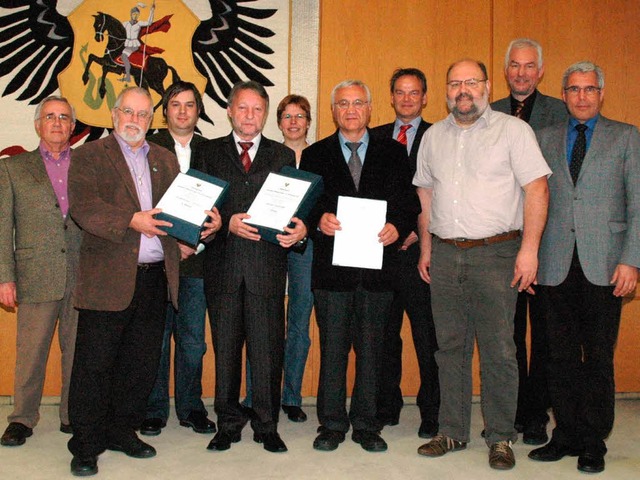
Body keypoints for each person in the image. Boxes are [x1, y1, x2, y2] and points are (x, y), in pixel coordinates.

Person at [66, 86, 220, 476]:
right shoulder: (88, 156)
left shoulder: (165, 160)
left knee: (139, 365)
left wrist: (205, 227)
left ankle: (122, 431)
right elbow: (84, 209)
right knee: (95, 366)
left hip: (155, 280)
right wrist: (132, 220)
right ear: (115, 114)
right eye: (128, 113)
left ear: (152, 120)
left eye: (142, 114)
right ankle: (85, 444)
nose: (134, 120)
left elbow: (177, 214)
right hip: (107, 281)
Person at [413, 59, 551, 470]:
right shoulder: (433, 137)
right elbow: (425, 197)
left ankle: (500, 437)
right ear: (446, 91)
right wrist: (426, 248)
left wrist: (530, 251)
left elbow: (537, 189)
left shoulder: (514, 131)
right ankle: (452, 430)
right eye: (455, 83)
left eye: (471, 82)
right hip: (445, 253)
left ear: (487, 86)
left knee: (499, 350)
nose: (463, 90)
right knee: (449, 348)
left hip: (497, 253)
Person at [528, 61, 640, 474]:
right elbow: (533, 200)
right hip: (554, 264)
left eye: (589, 89)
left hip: (605, 264)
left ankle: (594, 440)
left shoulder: (626, 137)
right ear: (563, 94)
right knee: (557, 356)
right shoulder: (543, 138)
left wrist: (632, 259)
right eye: (573, 89)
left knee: (596, 357)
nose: (581, 96)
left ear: (601, 92)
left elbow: (638, 204)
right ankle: (566, 434)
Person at [300, 80, 420, 453]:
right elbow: (307, 204)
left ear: (370, 109)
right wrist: (319, 219)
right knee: (333, 349)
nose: (350, 110)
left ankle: (367, 424)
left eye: (357, 103)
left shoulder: (394, 152)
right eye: (343, 104)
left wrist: (397, 226)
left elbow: (408, 204)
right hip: (332, 272)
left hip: (378, 270)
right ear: (334, 111)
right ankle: (332, 423)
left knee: (373, 349)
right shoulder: (316, 154)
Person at [194, 81, 307, 454]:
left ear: (265, 114)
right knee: (225, 352)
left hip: (266, 269)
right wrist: (227, 222)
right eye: (243, 108)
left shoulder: (281, 156)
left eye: (257, 110)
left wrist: (299, 229)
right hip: (223, 268)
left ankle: (266, 425)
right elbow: (199, 208)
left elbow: (290, 211)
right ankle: (228, 423)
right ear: (229, 110)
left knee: (267, 352)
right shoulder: (207, 152)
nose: (249, 116)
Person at [491, 38, 567, 445]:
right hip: (501, 242)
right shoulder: (491, 113)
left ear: (541, 71)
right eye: (514, 66)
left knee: (548, 334)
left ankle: (537, 413)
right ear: (506, 71)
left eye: (529, 66)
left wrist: (536, 245)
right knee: (507, 334)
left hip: (548, 240)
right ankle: (511, 411)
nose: (521, 73)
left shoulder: (560, 112)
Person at [0, 96, 80, 447]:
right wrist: (5, 276)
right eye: (50, 116)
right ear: (38, 125)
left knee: (77, 350)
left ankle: (70, 414)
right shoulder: (13, 168)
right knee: (31, 353)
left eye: (64, 117)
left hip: (81, 273)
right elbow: (3, 227)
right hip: (34, 273)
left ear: (73, 126)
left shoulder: (87, 165)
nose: (58, 123)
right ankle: (22, 418)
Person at [140, 81, 216, 437]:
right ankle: (154, 409)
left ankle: (190, 407)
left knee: (192, 341)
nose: (182, 111)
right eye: (175, 104)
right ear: (164, 110)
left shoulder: (212, 149)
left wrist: (200, 239)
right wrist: (173, 245)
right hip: (158, 258)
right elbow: (140, 203)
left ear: (198, 112)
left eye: (189, 105)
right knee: (155, 338)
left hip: (198, 261)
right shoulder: (146, 147)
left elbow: (221, 205)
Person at [370, 67, 440, 439]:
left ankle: (432, 411)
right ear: (391, 96)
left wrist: (417, 230)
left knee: (427, 336)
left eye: (414, 93)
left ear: (425, 97)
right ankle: (386, 406)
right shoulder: (375, 137)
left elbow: (445, 191)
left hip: (422, 254)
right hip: (381, 251)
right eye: (400, 92)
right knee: (383, 334)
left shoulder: (441, 136)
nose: (407, 99)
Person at [244, 94, 314, 423]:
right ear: (279, 121)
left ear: (309, 121)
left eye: (300, 116)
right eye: (287, 116)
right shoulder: (267, 154)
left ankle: (291, 396)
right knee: (259, 322)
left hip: (304, 247)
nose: (294, 122)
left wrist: (306, 229)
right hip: (267, 245)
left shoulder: (320, 155)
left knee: (299, 323)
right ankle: (254, 394)